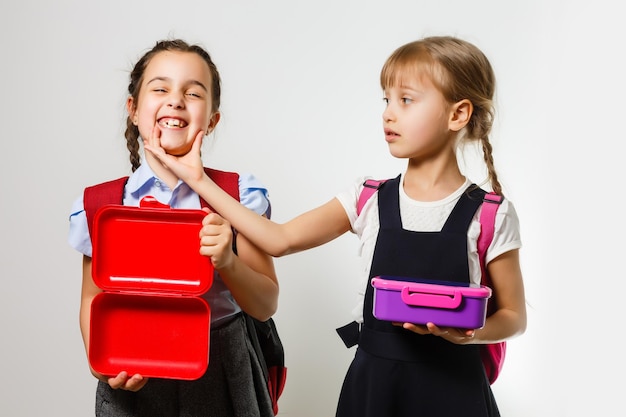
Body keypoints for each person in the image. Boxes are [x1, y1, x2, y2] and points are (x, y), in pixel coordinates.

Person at [144, 35, 527, 417]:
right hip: (373, 392)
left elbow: (514, 316)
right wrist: (198, 180)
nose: (388, 113)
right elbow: (279, 239)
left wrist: (472, 334)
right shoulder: (368, 199)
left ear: (458, 114)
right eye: (386, 100)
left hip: (456, 395)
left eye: (406, 100)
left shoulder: (490, 214)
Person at [68, 39, 279, 417]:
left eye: (193, 92)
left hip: (222, 368)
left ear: (212, 119)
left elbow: (265, 305)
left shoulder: (237, 196)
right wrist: (101, 364)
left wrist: (228, 262)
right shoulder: (102, 204)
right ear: (133, 110)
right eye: (160, 88)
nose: (176, 99)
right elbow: (91, 298)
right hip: (133, 363)